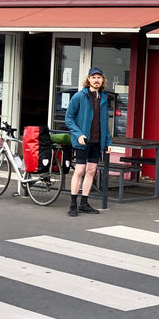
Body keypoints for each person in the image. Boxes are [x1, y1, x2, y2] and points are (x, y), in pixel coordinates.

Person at [64, 66, 112, 217]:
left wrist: (108, 142)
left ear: (102, 80)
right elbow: (68, 117)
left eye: (99, 77)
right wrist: (78, 134)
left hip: (97, 141)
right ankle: (73, 204)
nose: (96, 80)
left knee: (91, 171)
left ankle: (84, 203)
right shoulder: (79, 96)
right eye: (94, 77)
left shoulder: (103, 98)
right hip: (83, 141)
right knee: (79, 171)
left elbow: (105, 122)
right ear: (89, 79)